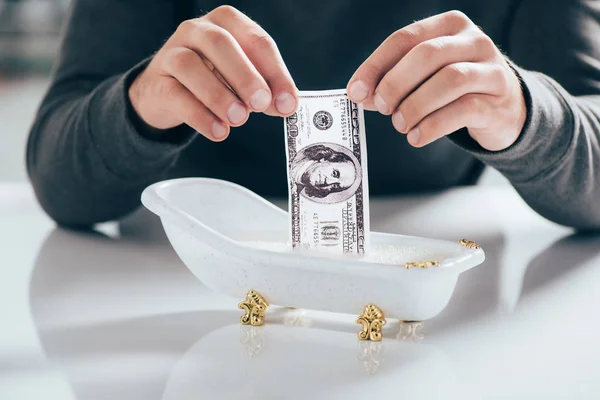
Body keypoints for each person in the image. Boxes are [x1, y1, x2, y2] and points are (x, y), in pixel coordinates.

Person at [26, 1, 600, 230]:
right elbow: (58, 176)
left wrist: (526, 115)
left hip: (436, 311)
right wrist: (137, 109)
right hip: (194, 290)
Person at [290, 143, 361, 203]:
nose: (328, 182)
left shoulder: (294, 194)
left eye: (335, 186)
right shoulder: (295, 155)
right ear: (325, 159)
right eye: (334, 173)